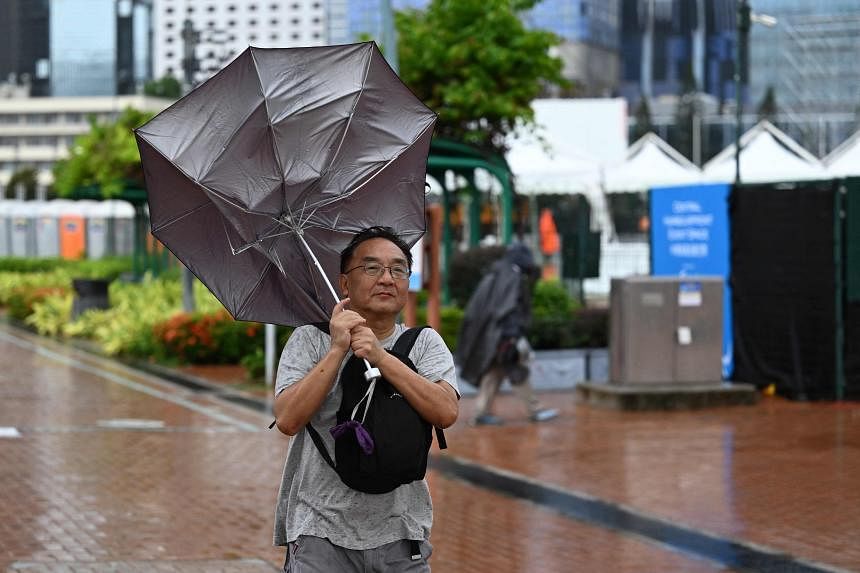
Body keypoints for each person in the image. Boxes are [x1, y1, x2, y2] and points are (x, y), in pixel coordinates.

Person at [272, 226, 459, 572]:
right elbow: (287, 419)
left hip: (402, 533)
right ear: (344, 283)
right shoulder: (309, 341)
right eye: (372, 268)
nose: (387, 278)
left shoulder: (425, 343)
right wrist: (337, 349)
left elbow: (446, 411)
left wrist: (382, 357)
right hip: (319, 533)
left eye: (398, 269)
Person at [456, 241, 558, 426]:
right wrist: (512, 336)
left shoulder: (497, 273)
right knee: (516, 370)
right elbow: (509, 308)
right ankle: (534, 409)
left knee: (495, 372)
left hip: (494, 336)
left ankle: (481, 413)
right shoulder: (512, 276)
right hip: (503, 336)